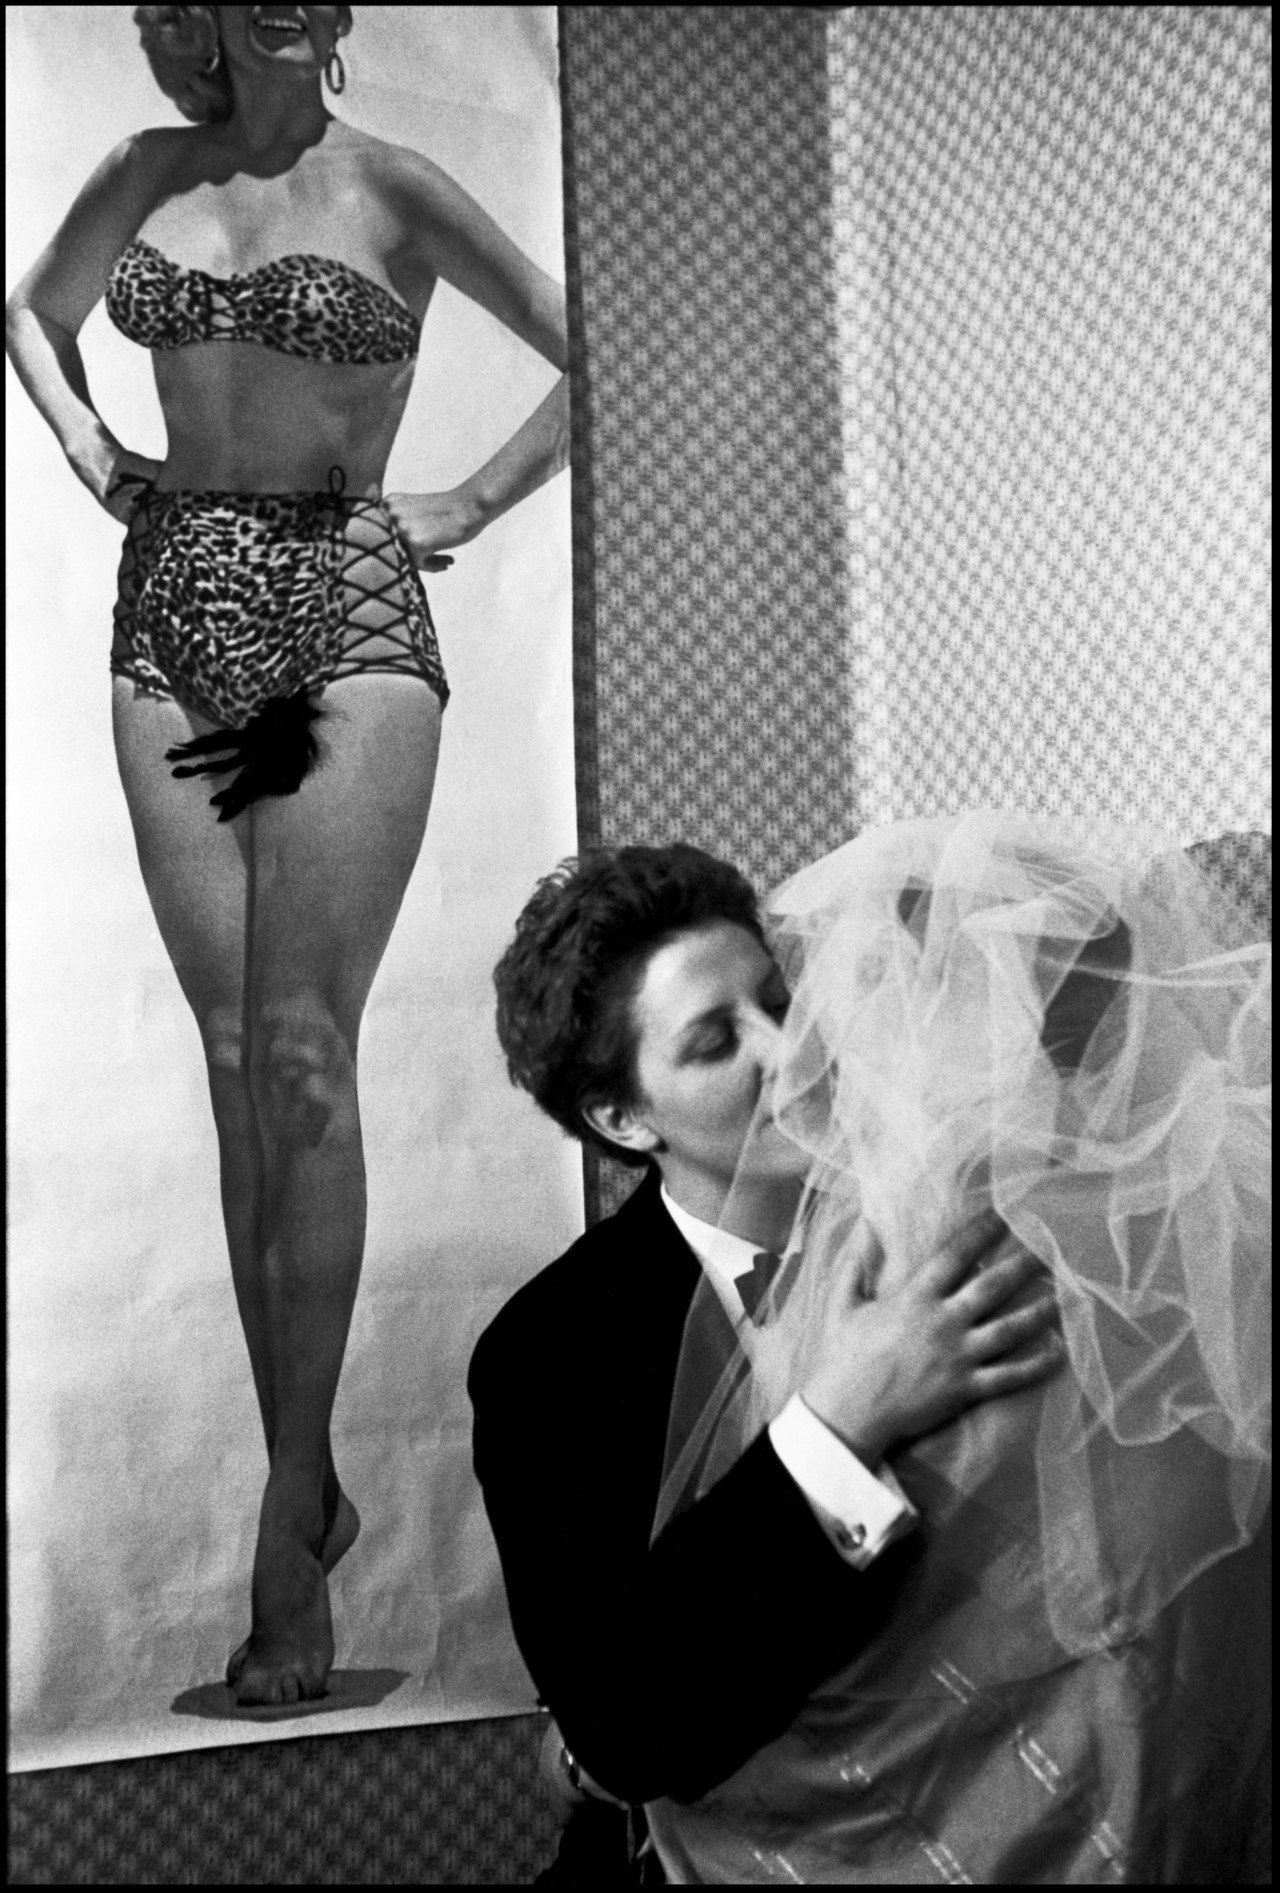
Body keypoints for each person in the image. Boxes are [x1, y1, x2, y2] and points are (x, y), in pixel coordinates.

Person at [5, 4, 568, 1707]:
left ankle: (286, 1525)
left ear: (329, 14)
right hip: (168, 614)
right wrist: (90, 444)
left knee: (307, 1052)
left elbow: (593, 347)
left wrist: (469, 500)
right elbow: (31, 311)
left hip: (346, 619)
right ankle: (303, 1482)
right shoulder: (143, 170)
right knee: (241, 1060)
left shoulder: (397, 188)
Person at [480, 825, 1270, 1884]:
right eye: (714, 1042)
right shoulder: (550, 1352)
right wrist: (840, 1419)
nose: (787, 1050)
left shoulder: (975, 1210)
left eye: (782, 1000)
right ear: (622, 1117)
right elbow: (626, 1728)